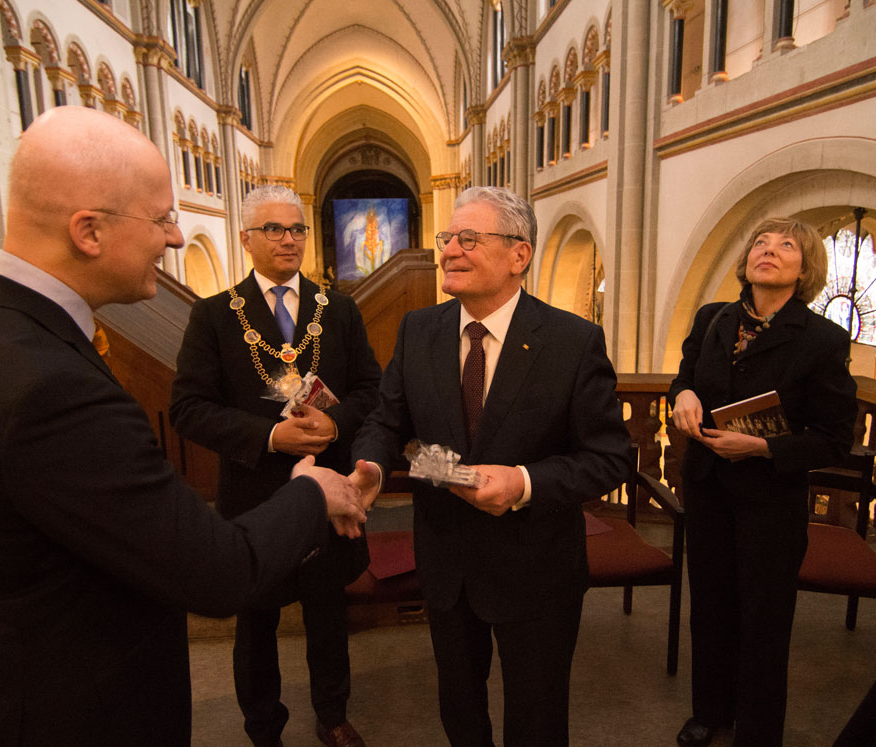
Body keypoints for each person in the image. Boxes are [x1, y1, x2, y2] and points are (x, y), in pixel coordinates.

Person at [0, 106, 366, 747]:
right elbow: (214, 571)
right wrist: (314, 491)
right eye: (163, 218)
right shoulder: (48, 385)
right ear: (87, 231)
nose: (175, 239)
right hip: (73, 716)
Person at [349, 186, 632, 746]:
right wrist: (372, 469)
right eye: (447, 238)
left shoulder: (573, 342)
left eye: (469, 239)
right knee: (459, 703)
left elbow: (610, 457)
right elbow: (387, 420)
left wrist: (524, 482)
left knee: (537, 714)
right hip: (446, 560)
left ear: (518, 255)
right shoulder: (418, 330)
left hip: (537, 567)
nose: (450, 250)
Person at [170, 185, 381, 747]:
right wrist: (268, 434)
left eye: (298, 229)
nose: (289, 240)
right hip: (256, 495)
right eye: (274, 230)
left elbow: (371, 389)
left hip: (329, 489)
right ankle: (263, 728)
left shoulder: (338, 308)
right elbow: (187, 408)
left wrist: (336, 425)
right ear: (246, 238)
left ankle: (332, 716)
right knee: (256, 623)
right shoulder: (214, 315)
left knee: (327, 614)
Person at [669, 217, 857, 747]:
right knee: (709, 607)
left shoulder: (821, 338)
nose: (768, 250)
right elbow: (686, 376)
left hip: (770, 500)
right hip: (707, 486)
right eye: (760, 243)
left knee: (764, 621)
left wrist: (764, 448)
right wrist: (682, 395)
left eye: (786, 245)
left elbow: (833, 439)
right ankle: (709, 712)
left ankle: (757, 730)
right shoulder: (713, 319)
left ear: (806, 269)